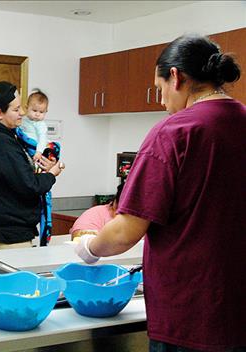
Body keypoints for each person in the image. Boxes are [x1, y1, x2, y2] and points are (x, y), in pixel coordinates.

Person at [75, 34, 246, 351]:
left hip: (189, 312)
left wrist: (88, 247)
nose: (162, 101)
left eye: (160, 89)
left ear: (177, 77)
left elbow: (126, 231)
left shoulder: (175, 131)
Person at [0, 81, 64, 250]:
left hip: (11, 231)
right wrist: (51, 174)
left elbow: (17, 176)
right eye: (15, 110)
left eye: (21, 107)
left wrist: (43, 166)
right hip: (8, 235)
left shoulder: (8, 137)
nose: (22, 112)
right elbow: (29, 185)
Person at [20, 89, 49, 162]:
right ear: (27, 108)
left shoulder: (40, 124)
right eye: (34, 110)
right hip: (24, 144)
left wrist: (39, 152)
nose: (37, 114)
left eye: (41, 112)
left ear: (46, 112)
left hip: (35, 147)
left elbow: (43, 139)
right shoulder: (23, 119)